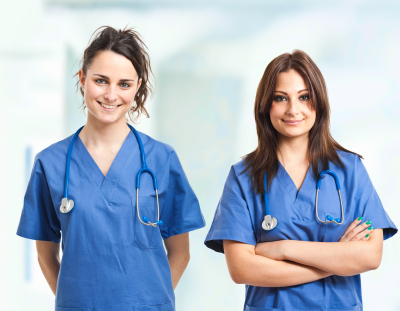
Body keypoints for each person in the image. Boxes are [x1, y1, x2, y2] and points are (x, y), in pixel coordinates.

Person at [17, 26, 205, 311]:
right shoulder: (50, 163)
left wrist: (155, 301)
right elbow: (45, 255)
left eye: (124, 84)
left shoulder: (161, 159)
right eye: (101, 81)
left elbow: (181, 252)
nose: (111, 94)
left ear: (138, 86)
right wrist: (75, 303)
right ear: (82, 79)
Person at [204, 50, 397, 311]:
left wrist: (283, 248)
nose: (293, 109)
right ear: (266, 105)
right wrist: (334, 261)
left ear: (318, 102)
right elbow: (241, 268)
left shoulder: (349, 170)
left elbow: (370, 255)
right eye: (281, 98)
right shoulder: (244, 176)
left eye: (304, 97)